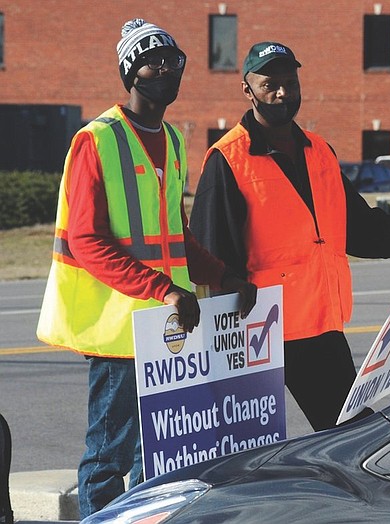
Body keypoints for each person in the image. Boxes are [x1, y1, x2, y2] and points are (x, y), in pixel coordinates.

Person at [36, 19, 257, 519]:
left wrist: (222, 277)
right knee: (108, 458)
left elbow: (175, 236)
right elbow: (86, 240)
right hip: (117, 332)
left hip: (166, 328)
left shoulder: (174, 142)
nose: (164, 70)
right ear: (130, 72)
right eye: (151, 61)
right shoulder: (97, 140)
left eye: (172, 62)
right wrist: (164, 290)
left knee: (156, 457)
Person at [189, 41, 390, 432]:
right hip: (254, 331)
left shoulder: (319, 152)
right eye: (270, 84)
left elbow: (361, 228)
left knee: (351, 435)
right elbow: (208, 252)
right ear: (247, 90)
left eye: (290, 82)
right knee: (241, 448)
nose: (283, 92)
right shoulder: (228, 159)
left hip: (318, 328)